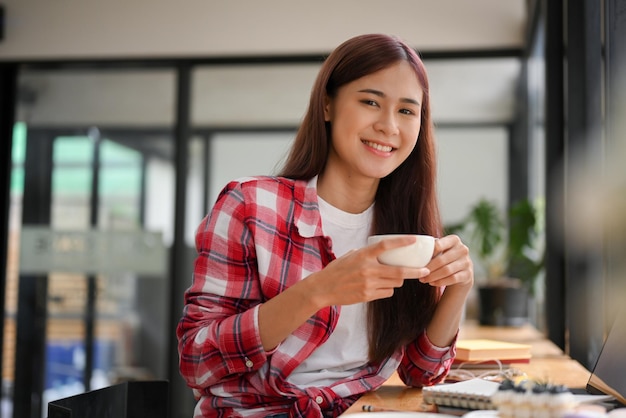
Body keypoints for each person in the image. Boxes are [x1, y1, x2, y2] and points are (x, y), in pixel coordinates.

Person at [177, 33, 474, 417]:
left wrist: (458, 288)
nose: (388, 126)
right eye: (370, 102)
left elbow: (421, 373)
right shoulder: (250, 206)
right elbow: (196, 359)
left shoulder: (407, 230)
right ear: (328, 105)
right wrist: (316, 292)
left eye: (407, 111)